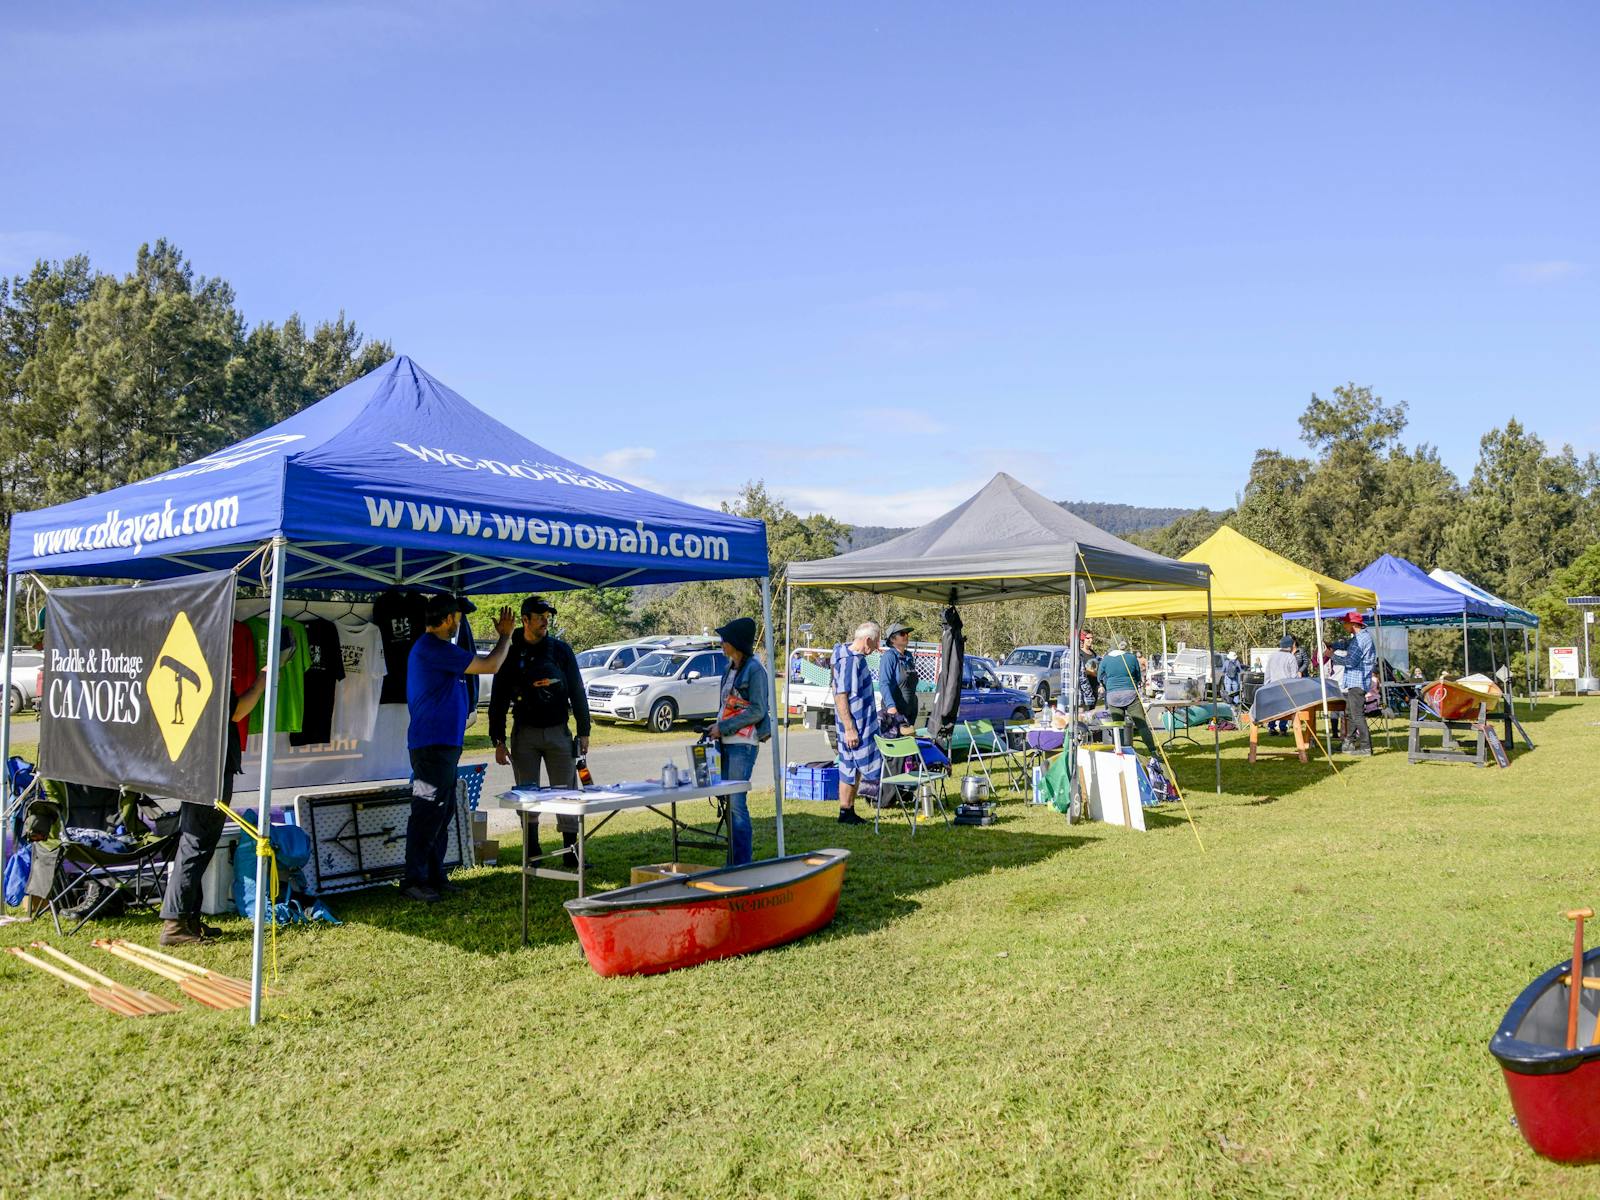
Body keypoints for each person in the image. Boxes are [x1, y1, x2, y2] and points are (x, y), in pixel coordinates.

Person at [158, 637, 291, 945]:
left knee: (196, 841)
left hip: (195, 765)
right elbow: (238, 711)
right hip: (209, 768)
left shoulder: (193, 664)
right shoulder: (208, 670)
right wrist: (266, 675)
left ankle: (187, 919)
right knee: (196, 842)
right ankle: (175, 924)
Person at [402, 595, 514, 902]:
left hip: (443, 745)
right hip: (432, 746)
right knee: (428, 811)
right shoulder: (434, 649)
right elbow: (491, 664)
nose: (460, 622)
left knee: (443, 811)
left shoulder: (438, 650)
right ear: (448, 618)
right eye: (459, 617)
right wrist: (505, 636)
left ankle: (436, 876)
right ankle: (414, 879)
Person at [489, 595, 591, 867]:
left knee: (567, 793)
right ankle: (532, 853)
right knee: (527, 794)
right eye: (540, 616)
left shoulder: (560, 649)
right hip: (525, 734)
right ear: (525, 620)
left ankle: (572, 854)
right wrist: (498, 739)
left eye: (548, 616)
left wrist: (584, 730)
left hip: (559, 730)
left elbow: (577, 690)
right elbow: (498, 698)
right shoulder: (509, 651)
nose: (546, 620)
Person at [707, 617, 772, 865]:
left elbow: (757, 710)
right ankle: (733, 860)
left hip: (742, 745)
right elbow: (726, 705)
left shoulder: (755, 670)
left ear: (736, 643)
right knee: (727, 800)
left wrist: (723, 727)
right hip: (725, 741)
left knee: (736, 803)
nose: (722, 644)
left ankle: (741, 862)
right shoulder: (729, 668)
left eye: (725, 640)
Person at [831, 622, 882, 825]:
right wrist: (850, 728)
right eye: (876, 642)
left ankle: (848, 811)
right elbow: (840, 695)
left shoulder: (853, 658)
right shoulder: (849, 661)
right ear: (867, 640)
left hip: (860, 724)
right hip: (854, 725)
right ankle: (845, 811)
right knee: (850, 765)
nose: (877, 647)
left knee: (852, 766)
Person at [1097, 637, 1159, 756]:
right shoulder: (1131, 657)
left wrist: (1108, 685)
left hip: (1112, 695)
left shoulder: (1105, 660)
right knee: (1142, 724)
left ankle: (1121, 752)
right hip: (1131, 693)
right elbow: (1137, 675)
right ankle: (1153, 751)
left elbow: (1100, 677)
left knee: (1118, 726)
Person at [1339, 610, 1375, 756]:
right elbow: (1348, 645)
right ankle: (1349, 742)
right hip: (1357, 681)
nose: (1343, 626)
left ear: (1353, 624)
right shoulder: (1361, 637)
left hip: (1357, 682)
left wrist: (1331, 656)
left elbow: (1350, 661)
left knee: (1357, 715)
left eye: (1345, 623)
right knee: (1350, 713)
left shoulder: (1360, 640)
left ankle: (1366, 747)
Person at [878, 621, 918, 735]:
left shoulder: (909, 656)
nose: (906, 636)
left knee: (909, 747)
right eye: (902, 633)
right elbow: (883, 684)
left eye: (907, 633)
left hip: (910, 711)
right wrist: (891, 707)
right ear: (892, 639)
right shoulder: (889, 657)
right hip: (895, 712)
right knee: (896, 748)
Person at [1263, 635, 1299, 736]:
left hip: (1272, 687)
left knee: (1273, 708)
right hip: (1286, 687)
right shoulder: (1291, 657)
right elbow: (1294, 676)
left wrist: (1266, 686)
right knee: (1285, 709)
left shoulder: (1272, 656)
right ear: (1290, 646)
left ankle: (1271, 728)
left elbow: (1267, 673)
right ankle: (1283, 729)